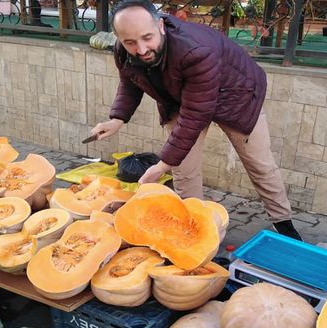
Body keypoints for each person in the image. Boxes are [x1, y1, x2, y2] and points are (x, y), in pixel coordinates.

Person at [89, 0, 302, 241]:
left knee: (259, 163)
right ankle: (192, 226)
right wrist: (117, 119)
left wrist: (161, 166)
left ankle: (283, 222)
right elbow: (131, 81)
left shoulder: (196, 51)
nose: (141, 49)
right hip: (183, 97)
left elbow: (195, 115)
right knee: (183, 169)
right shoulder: (124, 51)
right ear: (119, 38)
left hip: (236, 95)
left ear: (160, 26)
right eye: (130, 42)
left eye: (147, 38)